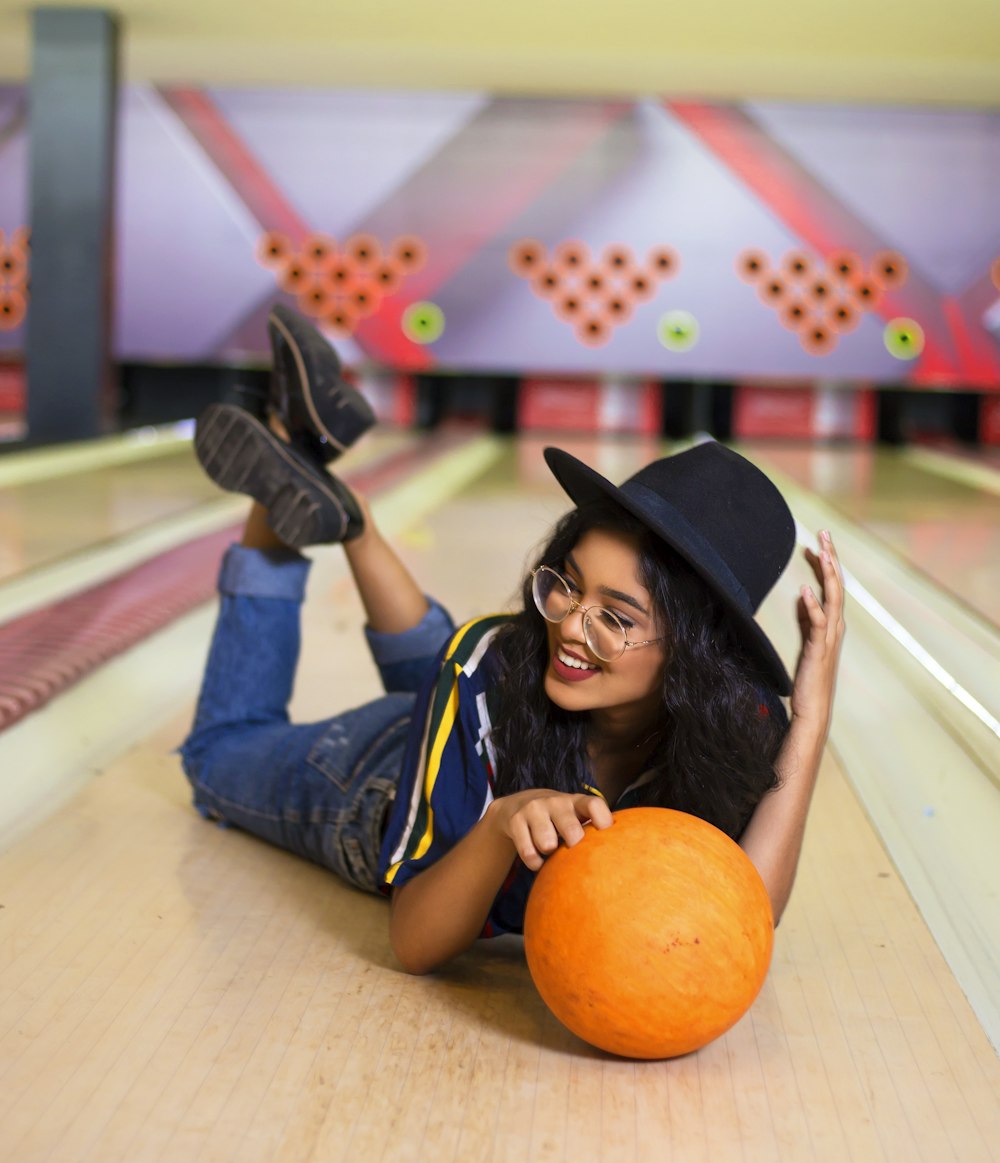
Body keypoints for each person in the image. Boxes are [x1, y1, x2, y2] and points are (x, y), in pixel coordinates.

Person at [182, 305, 845, 975]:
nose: (569, 624)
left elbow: (745, 912)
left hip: (475, 728)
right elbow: (414, 944)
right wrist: (501, 824)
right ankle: (286, 445)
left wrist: (812, 718)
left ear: (697, 656)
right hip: (376, 782)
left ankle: (348, 519)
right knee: (217, 756)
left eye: (616, 619)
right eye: (569, 585)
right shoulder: (494, 666)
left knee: (472, 674)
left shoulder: (741, 717)